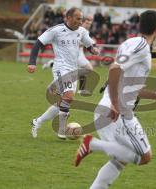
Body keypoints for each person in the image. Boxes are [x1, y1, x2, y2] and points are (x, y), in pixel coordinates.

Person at [74, 10, 156, 189]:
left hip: (109, 109)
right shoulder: (141, 46)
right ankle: (93, 144)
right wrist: (114, 102)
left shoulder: (130, 42)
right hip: (118, 112)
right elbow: (114, 68)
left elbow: (130, 87)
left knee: (120, 159)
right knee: (145, 156)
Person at [27, 7, 99, 139]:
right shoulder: (56, 30)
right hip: (60, 68)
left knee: (64, 101)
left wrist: (93, 50)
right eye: (78, 18)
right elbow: (38, 44)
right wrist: (32, 62)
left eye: (81, 19)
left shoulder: (82, 31)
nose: (80, 21)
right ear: (69, 18)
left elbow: (89, 45)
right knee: (69, 97)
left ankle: (38, 121)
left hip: (73, 69)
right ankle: (61, 129)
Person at [42, 15, 95, 95]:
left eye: (89, 24)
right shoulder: (77, 29)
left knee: (83, 70)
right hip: (75, 54)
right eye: (86, 23)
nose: (88, 25)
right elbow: (74, 43)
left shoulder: (85, 32)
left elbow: (87, 44)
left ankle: (54, 83)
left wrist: (91, 44)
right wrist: (87, 44)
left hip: (80, 54)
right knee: (87, 69)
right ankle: (80, 89)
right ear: (82, 23)